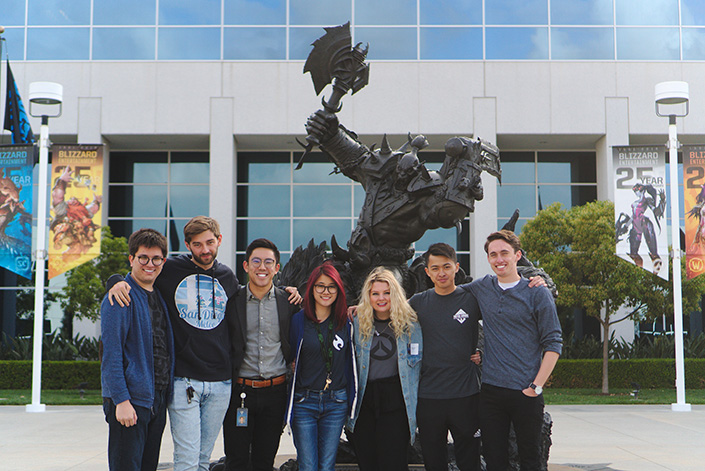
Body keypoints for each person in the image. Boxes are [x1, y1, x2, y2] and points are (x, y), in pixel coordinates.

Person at [108, 216, 299, 471]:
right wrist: (115, 280)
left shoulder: (227, 277)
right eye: (197, 244)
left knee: (201, 460)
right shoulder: (171, 270)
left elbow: (257, 291)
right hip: (183, 381)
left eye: (210, 242)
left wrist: (287, 290)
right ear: (188, 245)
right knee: (187, 460)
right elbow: (143, 274)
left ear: (219, 240)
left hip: (221, 384)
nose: (205, 249)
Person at [467, 230, 562, 471]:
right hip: (491, 392)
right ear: (488, 258)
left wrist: (536, 386)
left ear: (517, 255)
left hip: (526, 392)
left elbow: (553, 343)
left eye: (505, 253)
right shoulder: (481, 288)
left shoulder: (536, 292)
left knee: (531, 459)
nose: (499, 259)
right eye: (493, 254)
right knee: (494, 458)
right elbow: (443, 297)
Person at [222, 238, 300, 471]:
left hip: (275, 392)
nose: (262, 267)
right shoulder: (232, 300)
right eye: (256, 261)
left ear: (277, 268)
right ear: (246, 266)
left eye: (268, 262)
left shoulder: (289, 301)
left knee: (264, 461)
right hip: (239, 392)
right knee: (235, 460)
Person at [100, 228, 174, 471]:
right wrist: (120, 400)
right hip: (130, 401)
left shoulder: (157, 294)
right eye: (143, 258)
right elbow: (111, 355)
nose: (149, 264)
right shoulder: (120, 297)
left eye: (156, 259)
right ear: (131, 259)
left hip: (156, 399)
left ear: (163, 261)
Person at [408, 243, 482, 471]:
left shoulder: (471, 298)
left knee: (469, 460)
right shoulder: (418, 302)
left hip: (466, 395)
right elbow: (384, 310)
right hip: (429, 397)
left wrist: (482, 349)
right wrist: (357, 308)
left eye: (447, 267)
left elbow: (501, 321)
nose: (442, 273)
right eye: (436, 268)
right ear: (427, 272)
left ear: (456, 268)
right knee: (433, 461)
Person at [347, 267, 422, 471]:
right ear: (368, 296)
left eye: (387, 293)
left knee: (394, 462)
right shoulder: (356, 322)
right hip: (364, 399)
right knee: (367, 462)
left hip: (396, 400)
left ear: (395, 294)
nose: (381, 298)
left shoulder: (411, 324)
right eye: (375, 293)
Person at [287, 263, 356, 471]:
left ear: (339, 290)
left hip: (336, 402)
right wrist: (287, 289)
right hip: (304, 402)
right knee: (308, 466)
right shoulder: (298, 320)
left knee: (327, 466)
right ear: (311, 288)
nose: (326, 292)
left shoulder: (347, 321)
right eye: (320, 286)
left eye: (331, 287)